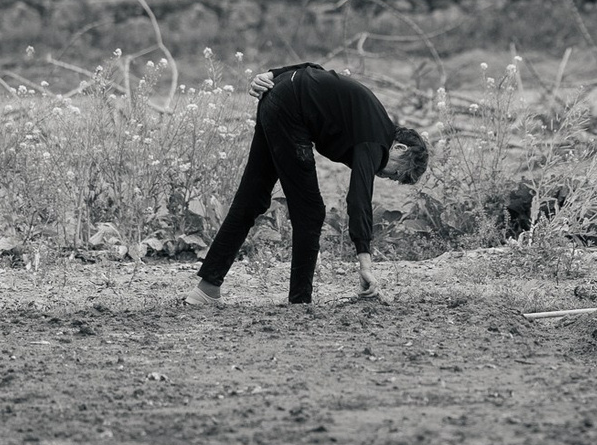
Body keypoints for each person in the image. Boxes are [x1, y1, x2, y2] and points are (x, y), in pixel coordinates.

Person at [184, 62, 430, 307]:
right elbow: (359, 198)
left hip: (278, 96)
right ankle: (300, 303)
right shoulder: (376, 141)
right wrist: (365, 263)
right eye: (396, 173)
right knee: (310, 212)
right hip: (290, 109)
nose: (387, 177)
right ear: (399, 148)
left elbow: (316, 69)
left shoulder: (372, 119)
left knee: (252, 198)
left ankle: (206, 290)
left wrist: (275, 75)